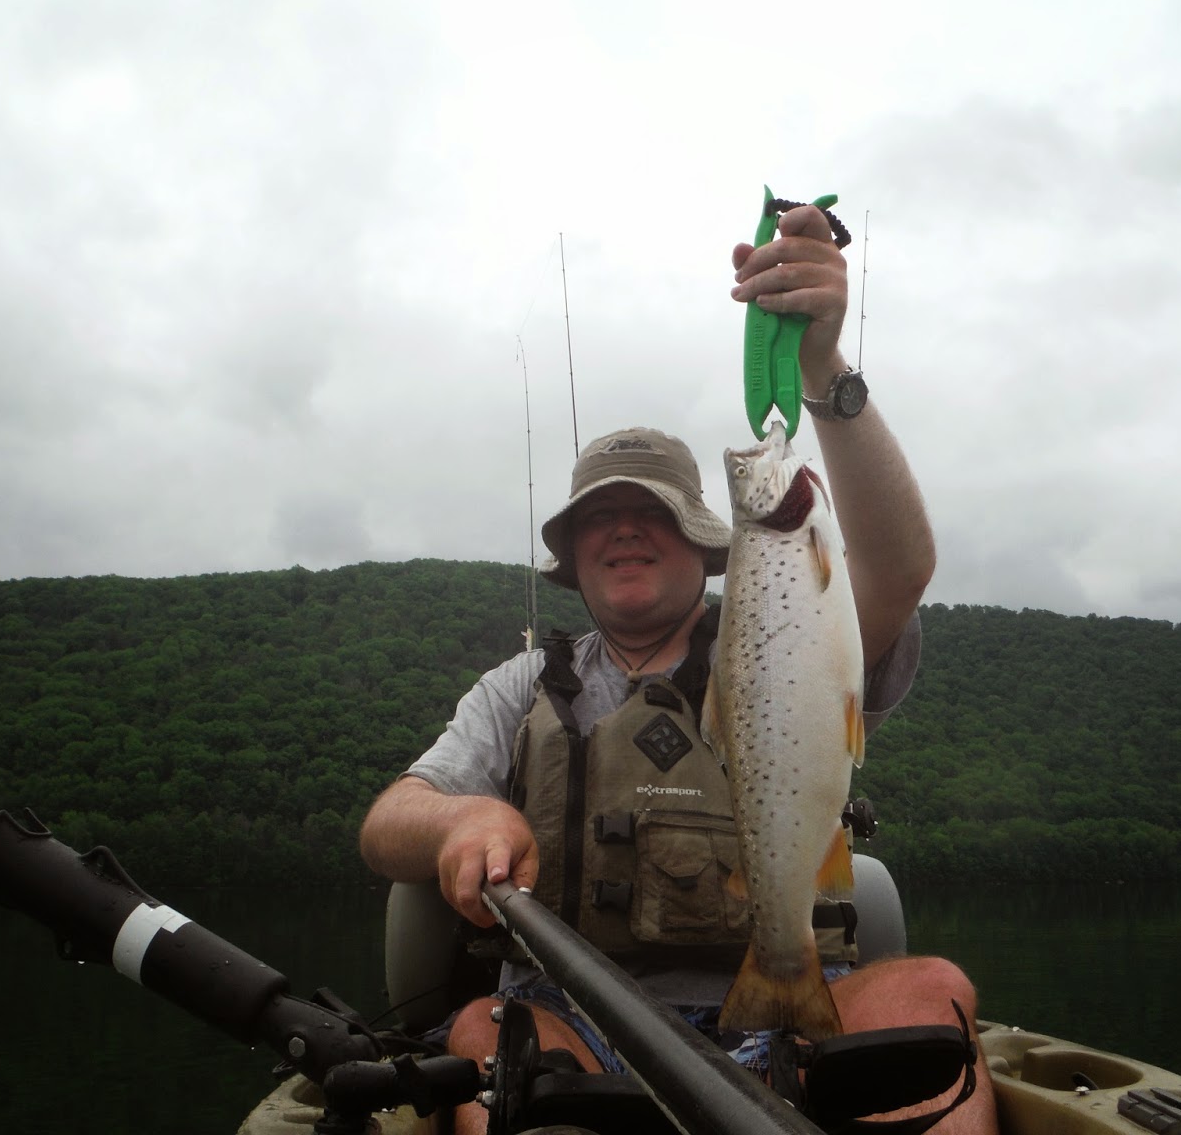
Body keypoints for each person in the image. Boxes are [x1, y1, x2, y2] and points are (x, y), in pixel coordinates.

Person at [360, 204, 997, 1134]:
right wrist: (463, 818)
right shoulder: (521, 689)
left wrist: (823, 369)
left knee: (931, 991)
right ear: (573, 557)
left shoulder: (792, 625)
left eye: (651, 513)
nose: (622, 530)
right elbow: (388, 826)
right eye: (597, 520)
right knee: (488, 1034)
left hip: (802, 1011)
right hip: (570, 1013)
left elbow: (899, 568)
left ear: (704, 546)